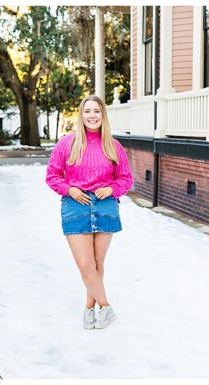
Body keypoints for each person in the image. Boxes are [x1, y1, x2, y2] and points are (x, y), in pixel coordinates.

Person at [46, 95, 133, 330]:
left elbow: (126, 179)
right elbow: (52, 176)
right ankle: (105, 306)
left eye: (96, 111)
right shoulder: (67, 143)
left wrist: (112, 188)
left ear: (103, 115)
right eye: (88, 111)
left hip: (105, 205)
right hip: (76, 204)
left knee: (97, 262)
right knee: (85, 265)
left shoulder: (113, 146)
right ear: (81, 115)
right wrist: (70, 189)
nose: (92, 115)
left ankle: (89, 308)